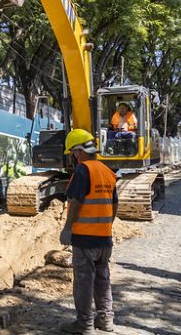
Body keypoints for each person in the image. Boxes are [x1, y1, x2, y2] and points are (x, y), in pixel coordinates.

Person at [58, 129, 118, 335]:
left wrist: (67, 228)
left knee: (84, 281)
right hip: (105, 239)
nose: (74, 157)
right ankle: (106, 320)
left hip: (84, 239)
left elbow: (75, 201)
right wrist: (107, 226)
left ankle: (84, 325)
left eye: (73, 153)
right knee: (103, 279)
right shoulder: (108, 171)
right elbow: (114, 205)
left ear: (78, 151)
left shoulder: (83, 170)